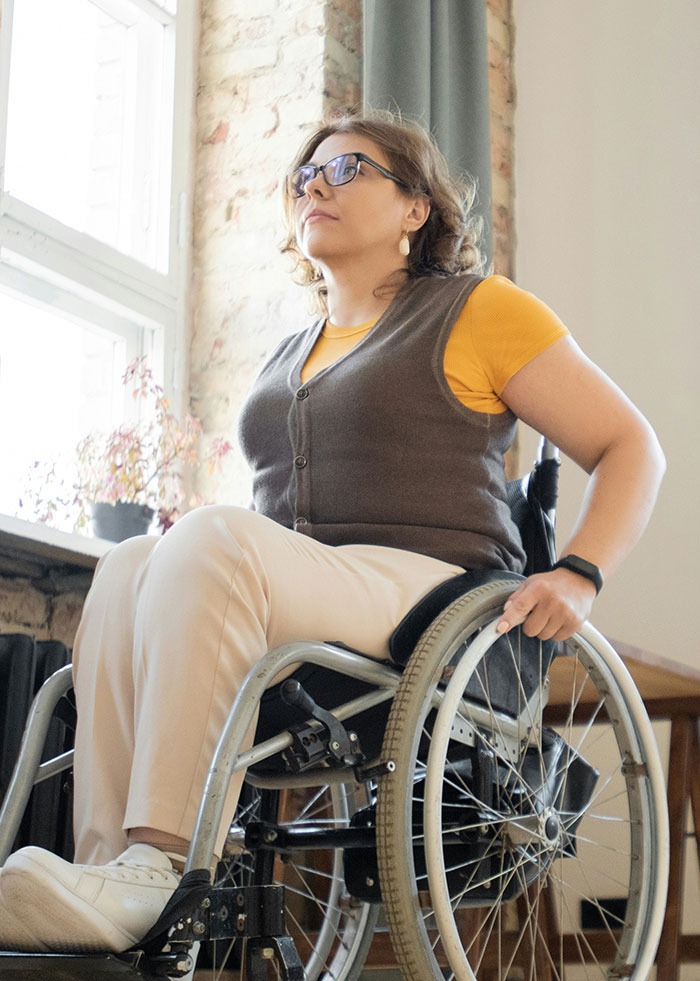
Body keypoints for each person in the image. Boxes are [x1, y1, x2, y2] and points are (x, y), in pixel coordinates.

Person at [0, 110, 665, 954]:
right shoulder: (290, 353)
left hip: (437, 593)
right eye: (305, 174)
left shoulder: (478, 311)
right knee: (131, 558)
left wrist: (580, 570)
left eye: (347, 168)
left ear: (414, 207)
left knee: (208, 539)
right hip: (315, 595)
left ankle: (160, 865)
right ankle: (105, 871)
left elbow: (630, 445)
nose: (315, 182)